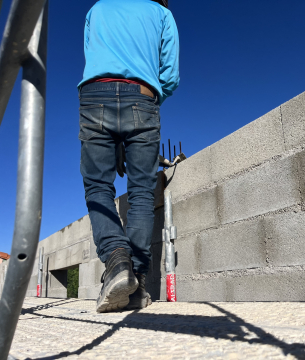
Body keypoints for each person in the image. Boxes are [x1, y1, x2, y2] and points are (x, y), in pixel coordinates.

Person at [77, 0, 179, 313]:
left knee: (98, 186)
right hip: (143, 98)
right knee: (141, 195)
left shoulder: (97, 9)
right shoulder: (162, 13)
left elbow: (90, 53)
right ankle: (135, 279)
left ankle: (116, 259)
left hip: (95, 97)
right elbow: (170, 74)